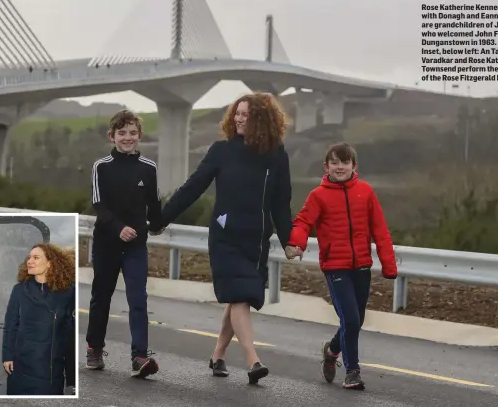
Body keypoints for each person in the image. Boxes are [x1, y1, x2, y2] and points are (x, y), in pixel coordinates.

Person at [157, 92, 302, 385]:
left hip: (256, 240)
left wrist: (289, 240)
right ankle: (253, 360)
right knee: (240, 296)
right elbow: (192, 188)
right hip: (225, 236)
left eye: (246, 114)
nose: (238, 118)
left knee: (240, 298)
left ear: (262, 119)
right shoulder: (221, 151)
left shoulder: (277, 156)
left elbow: (281, 204)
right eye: (237, 113)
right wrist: (161, 219)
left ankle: (218, 354)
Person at [288, 143, 397, 390]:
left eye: (345, 162)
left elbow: (380, 230)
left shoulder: (366, 192)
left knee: (356, 321)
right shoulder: (318, 195)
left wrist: (388, 265)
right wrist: (297, 244)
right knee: (349, 317)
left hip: (361, 266)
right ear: (326, 166)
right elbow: (303, 222)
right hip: (335, 267)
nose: (340, 167)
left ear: (354, 166)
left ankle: (331, 350)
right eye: (335, 162)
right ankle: (352, 371)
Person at [85, 110, 164, 378]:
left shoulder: (149, 168)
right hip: (107, 243)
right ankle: (95, 349)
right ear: (112, 136)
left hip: (135, 246)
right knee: (101, 298)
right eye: (122, 133)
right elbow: (98, 204)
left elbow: (154, 205)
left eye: (132, 133)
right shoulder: (102, 166)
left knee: (138, 298)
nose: (127, 138)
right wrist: (118, 228)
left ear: (139, 136)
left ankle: (140, 356)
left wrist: (158, 223)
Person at [2, 243, 76, 395]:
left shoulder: (67, 292)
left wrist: (72, 377)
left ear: (50, 263)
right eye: (29, 258)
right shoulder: (20, 290)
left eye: (36, 257)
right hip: (21, 365)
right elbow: (11, 325)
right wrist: (7, 356)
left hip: (49, 368)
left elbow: (70, 335)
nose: (30, 261)